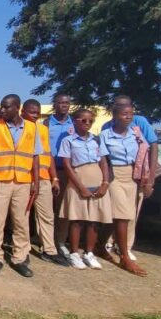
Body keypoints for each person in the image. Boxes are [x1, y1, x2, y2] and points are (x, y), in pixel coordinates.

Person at [0, 94, 43, 278]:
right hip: (0, 180)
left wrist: (36, 182)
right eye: (1, 106)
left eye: (6, 107)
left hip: (23, 181)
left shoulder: (32, 127)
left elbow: (35, 157)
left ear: (17, 107)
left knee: (21, 222)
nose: (2, 110)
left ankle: (19, 258)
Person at [100, 95, 158, 259]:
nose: (128, 115)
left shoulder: (137, 128)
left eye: (130, 111)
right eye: (122, 110)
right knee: (119, 213)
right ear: (114, 111)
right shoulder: (106, 130)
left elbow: (151, 147)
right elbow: (103, 158)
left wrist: (150, 179)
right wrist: (106, 179)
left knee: (131, 213)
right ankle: (114, 247)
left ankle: (125, 246)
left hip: (135, 174)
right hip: (115, 174)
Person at [58, 109, 112, 270]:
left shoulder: (96, 140)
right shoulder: (68, 141)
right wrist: (80, 187)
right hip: (78, 181)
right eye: (83, 120)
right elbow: (67, 165)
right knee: (77, 220)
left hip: (97, 179)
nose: (87, 123)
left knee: (94, 220)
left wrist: (105, 183)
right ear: (75, 121)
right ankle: (74, 253)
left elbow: (103, 162)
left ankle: (89, 252)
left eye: (90, 121)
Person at [21, 100, 69, 267]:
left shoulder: (42, 129)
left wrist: (54, 178)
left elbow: (48, 155)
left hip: (43, 178)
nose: (35, 115)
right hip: (24, 178)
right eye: (32, 112)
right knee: (23, 216)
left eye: (38, 112)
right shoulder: (19, 128)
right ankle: (23, 249)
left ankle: (49, 249)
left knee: (47, 216)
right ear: (22, 112)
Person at [43, 93, 74, 256]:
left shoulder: (74, 123)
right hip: (49, 169)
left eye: (67, 102)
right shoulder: (47, 124)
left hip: (67, 170)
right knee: (48, 207)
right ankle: (45, 239)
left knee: (64, 207)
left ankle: (60, 240)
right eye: (61, 102)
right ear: (55, 104)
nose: (64, 105)